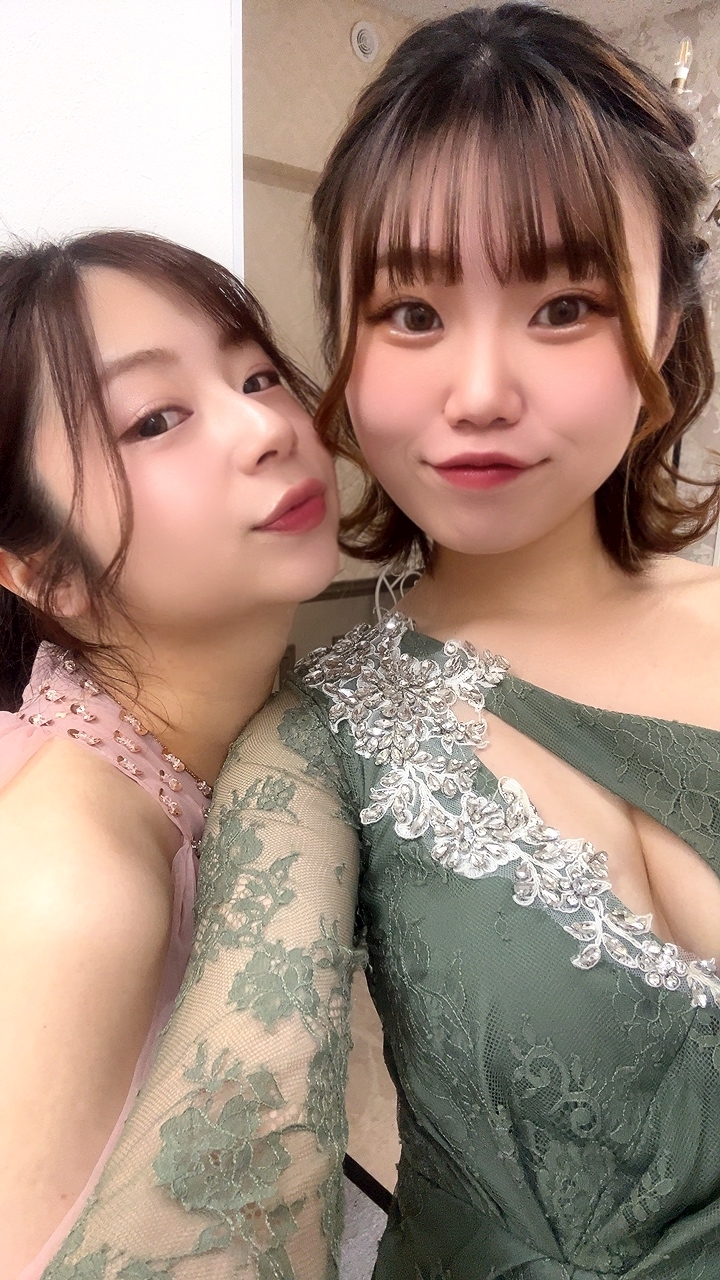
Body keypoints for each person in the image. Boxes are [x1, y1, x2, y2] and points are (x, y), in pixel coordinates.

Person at [50, 4, 720, 1279]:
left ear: (668, 325)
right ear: (346, 346)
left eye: (565, 304)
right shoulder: (312, 749)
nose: (480, 392)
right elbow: (232, 1144)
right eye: (412, 312)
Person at [0, 230, 349, 1279]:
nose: (266, 427)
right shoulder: (72, 886)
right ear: (46, 574)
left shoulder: (233, 744)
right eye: (155, 419)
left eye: (257, 374)